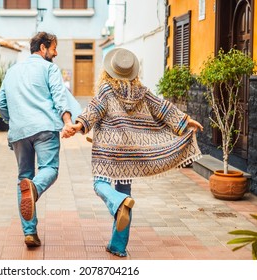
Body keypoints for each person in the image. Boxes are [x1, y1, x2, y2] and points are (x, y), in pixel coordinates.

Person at [70, 48, 203, 257]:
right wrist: (185, 121)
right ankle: (118, 246)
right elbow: (162, 107)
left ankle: (117, 203)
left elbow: (93, 110)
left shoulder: (106, 90)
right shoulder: (142, 91)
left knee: (100, 185)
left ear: (109, 70)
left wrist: (78, 125)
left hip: (108, 149)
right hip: (131, 151)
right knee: (125, 193)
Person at [0, 32, 77, 248]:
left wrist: (14, 120)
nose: (56, 53)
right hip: (45, 128)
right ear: (43, 48)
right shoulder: (49, 68)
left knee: (24, 178)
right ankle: (36, 189)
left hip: (19, 131)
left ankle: (30, 233)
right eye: (54, 48)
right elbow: (59, 95)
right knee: (49, 169)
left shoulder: (11, 71)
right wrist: (67, 121)